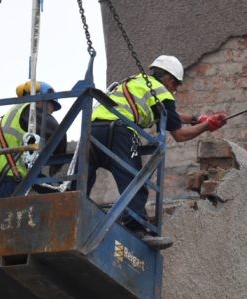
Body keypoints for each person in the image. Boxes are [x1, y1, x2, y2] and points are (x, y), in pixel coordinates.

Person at [89, 55, 227, 249]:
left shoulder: (135, 82)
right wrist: (206, 127)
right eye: (176, 85)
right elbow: (179, 134)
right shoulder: (163, 93)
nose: (175, 90)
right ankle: (136, 230)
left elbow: (169, 115)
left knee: (83, 177)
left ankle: (70, 212)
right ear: (170, 79)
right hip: (120, 131)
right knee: (135, 180)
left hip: (92, 130)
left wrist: (197, 119)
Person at [0, 81, 67, 199]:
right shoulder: (29, 110)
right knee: (13, 215)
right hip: (5, 178)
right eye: (50, 105)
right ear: (38, 99)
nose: (51, 111)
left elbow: (35, 175)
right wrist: (58, 162)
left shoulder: (15, 113)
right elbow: (57, 132)